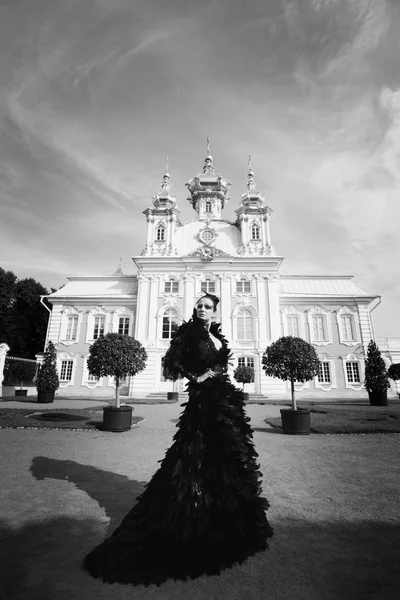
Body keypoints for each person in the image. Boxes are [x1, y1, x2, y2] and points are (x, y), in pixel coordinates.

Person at [83, 293, 273, 586]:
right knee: (195, 453)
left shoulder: (214, 334)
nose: (201, 309)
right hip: (204, 401)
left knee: (226, 456)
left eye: (207, 307)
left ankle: (223, 514)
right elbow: (172, 361)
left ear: (215, 312)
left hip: (224, 398)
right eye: (198, 306)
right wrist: (197, 377)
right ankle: (188, 514)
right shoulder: (188, 332)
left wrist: (218, 374)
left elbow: (220, 363)